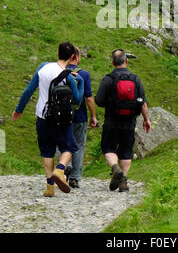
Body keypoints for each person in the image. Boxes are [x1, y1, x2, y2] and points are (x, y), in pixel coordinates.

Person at [12, 42, 84, 197]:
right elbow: (77, 101)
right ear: (72, 57)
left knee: (47, 151)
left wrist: (19, 110)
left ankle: (49, 187)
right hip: (62, 119)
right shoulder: (68, 77)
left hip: (43, 117)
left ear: (57, 54)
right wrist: (81, 83)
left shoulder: (42, 68)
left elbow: (28, 90)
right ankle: (60, 169)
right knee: (69, 147)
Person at [95, 49, 151, 192]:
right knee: (126, 151)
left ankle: (115, 168)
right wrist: (146, 119)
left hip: (111, 121)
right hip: (129, 121)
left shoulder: (108, 79)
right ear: (126, 61)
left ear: (113, 63)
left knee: (108, 148)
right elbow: (143, 103)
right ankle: (123, 181)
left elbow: (99, 101)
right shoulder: (135, 79)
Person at [64, 47, 99, 188]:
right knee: (78, 145)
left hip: (60, 116)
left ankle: (65, 165)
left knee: (61, 142)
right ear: (77, 58)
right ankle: (75, 178)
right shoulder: (83, 74)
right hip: (79, 116)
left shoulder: (58, 72)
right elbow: (89, 98)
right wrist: (93, 116)